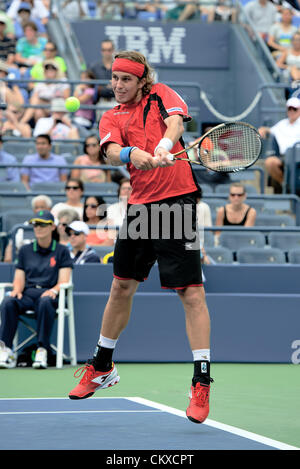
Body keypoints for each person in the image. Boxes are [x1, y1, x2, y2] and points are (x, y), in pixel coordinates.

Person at [68, 50, 213, 425]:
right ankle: (101, 366)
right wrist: (134, 153)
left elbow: (176, 122)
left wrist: (164, 147)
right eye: (114, 79)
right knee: (121, 287)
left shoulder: (162, 93)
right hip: (140, 207)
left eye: (126, 80)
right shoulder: (111, 115)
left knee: (191, 292)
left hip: (177, 204)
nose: (117, 85)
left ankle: (201, 379)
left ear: (142, 80)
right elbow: (112, 151)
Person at [0, 210, 73, 369]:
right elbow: (19, 277)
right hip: (28, 294)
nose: (38, 228)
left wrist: (53, 290)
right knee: (8, 301)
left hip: (50, 295)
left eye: (42, 224)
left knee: (46, 301)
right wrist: (17, 290)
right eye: (35, 224)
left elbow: (64, 280)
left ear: (52, 227)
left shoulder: (62, 250)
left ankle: (42, 349)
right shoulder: (25, 250)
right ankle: (5, 349)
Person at [258, 96, 300, 192]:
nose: (292, 111)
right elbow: (270, 130)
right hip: (284, 157)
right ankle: (286, 185)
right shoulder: (282, 124)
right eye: (290, 108)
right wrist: (263, 129)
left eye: (295, 109)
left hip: (298, 157)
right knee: (270, 162)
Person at [3, 193, 53, 262]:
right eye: (36, 208)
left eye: (42, 207)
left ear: (49, 209)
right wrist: (8, 262)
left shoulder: (56, 225)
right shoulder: (25, 226)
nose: (39, 210)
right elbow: (12, 245)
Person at [21, 59, 70, 125]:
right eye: (47, 69)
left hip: (57, 107)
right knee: (38, 111)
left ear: (57, 71)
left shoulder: (63, 81)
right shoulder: (40, 83)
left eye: (52, 68)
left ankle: (22, 122)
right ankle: (40, 133)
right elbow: (33, 98)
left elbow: (66, 99)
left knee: (36, 102)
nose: (49, 71)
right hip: (43, 107)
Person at [89, 39, 117, 117]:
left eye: (109, 50)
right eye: (104, 50)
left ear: (113, 50)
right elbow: (90, 86)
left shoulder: (119, 66)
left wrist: (103, 87)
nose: (106, 53)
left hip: (117, 102)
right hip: (101, 102)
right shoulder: (94, 67)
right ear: (101, 51)